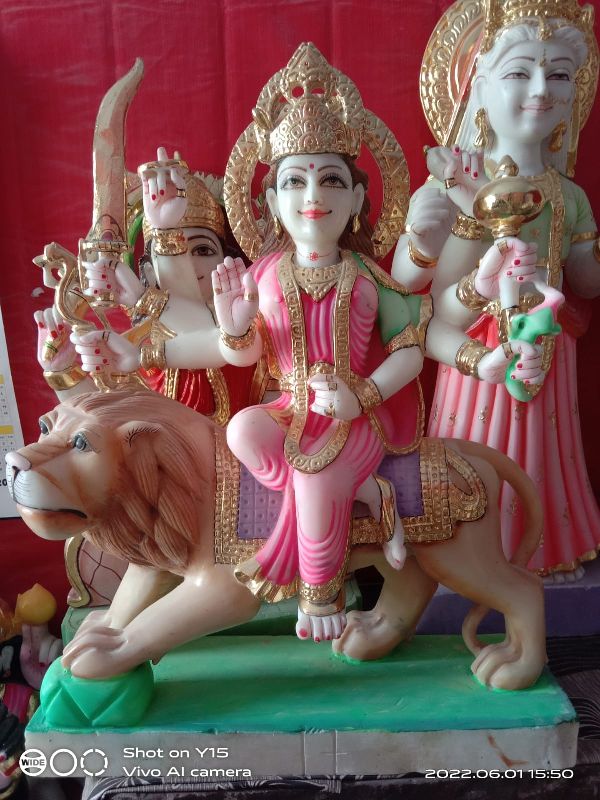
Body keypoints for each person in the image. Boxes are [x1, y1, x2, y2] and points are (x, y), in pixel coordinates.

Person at [396, 0, 600, 580]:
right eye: (519, 72)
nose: (540, 90)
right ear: (479, 87)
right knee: (475, 450)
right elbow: (407, 285)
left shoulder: (568, 194)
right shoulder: (454, 179)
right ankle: (466, 553)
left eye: (558, 74)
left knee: (545, 451)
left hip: (549, 343)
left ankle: (543, 546)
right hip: (475, 344)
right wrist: (422, 237)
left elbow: (587, 280)